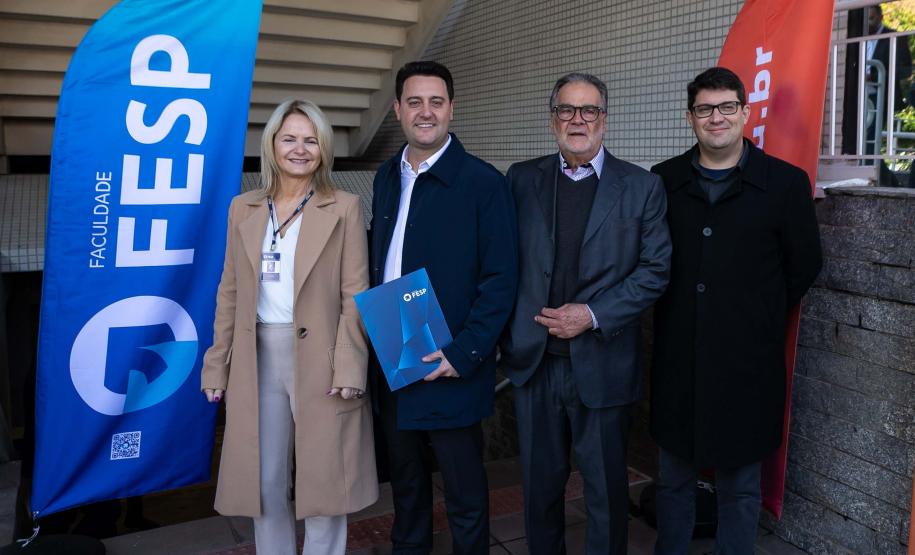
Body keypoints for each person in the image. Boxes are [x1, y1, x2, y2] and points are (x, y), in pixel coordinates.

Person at [650, 67, 822, 555]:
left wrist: (754, 312)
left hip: (748, 363)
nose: (716, 117)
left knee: (740, 488)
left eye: (727, 107)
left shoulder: (786, 184)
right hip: (677, 360)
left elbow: (804, 264)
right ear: (690, 118)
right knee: (673, 481)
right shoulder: (663, 182)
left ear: (746, 113)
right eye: (705, 109)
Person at [500, 72, 672, 554]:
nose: (578, 120)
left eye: (589, 110)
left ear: (605, 119)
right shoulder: (520, 179)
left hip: (603, 360)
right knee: (539, 491)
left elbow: (655, 271)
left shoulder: (642, 187)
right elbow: (499, 260)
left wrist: (592, 314)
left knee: (605, 492)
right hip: (535, 363)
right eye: (566, 110)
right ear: (552, 117)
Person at [201, 99, 378, 554]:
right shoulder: (244, 208)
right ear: (272, 145)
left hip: (322, 357)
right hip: (257, 357)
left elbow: (354, 295)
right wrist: (216, 365)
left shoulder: (344, 207)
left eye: (310, 139)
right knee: (264, 482)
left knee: (324, 480)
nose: (300, 149)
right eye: (289, 138)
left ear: (323, 149)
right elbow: (230, 291)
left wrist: (349, 367)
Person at [369, 61, 518, 554]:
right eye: (415, 102)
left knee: (464, 495)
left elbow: (501, 279)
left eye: (436, 102)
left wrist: (465, 353)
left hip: (450, 359)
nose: (425, 112)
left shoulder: (483, 183)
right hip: (395, 349)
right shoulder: (388, 175)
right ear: (397, 110)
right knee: (406, 488)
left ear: (452, 108)